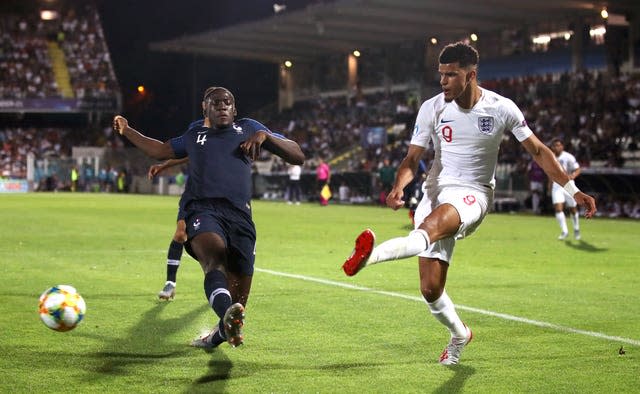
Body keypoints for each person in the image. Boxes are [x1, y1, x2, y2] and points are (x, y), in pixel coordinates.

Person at [341, 42, 596, 366]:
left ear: (471, 75)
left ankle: (369, 257)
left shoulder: (502, 108)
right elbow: (412, 158)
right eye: (441, 75)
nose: (443, 81)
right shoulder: (431, 108)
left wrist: (573, 190)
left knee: (429, 228)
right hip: (434, 190)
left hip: (473, 193)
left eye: (451, 75)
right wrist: (397, 188)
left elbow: (538, 151)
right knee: (431, 289)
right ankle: (460, 334)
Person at [113, 86, 305, 348]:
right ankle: (223, 316)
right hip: (203, 209)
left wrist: (266, 137)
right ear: (205, 109)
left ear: (234, 109)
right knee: (213, 259)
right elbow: (159, 149)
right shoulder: (195, 133)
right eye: (215, 103)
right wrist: (127, 130)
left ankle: (218, 333)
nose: (222, 106)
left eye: (227, 102)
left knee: (239, 301)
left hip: (241, 217)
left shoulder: (249, 128)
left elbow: (298, 155)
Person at [147, 157, 190, 300]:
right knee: (180, 234)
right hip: (193, 194)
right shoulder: (198, 136)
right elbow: (185, 155)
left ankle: (220, 284)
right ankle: (170, 283)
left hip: (217, 195)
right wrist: (163, 166)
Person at [549, 138, 582, 240]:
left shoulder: (568, 157)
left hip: (568, 184)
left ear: (562, 146)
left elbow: (578, 169)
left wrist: (573, 176)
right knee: (558, 208)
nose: (557, 147)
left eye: (558, 145)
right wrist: (549, 183)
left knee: (572, 208)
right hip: (557, 185)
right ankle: (564, 231)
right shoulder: (551, 157)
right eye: (555, 145)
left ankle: (576, 229)